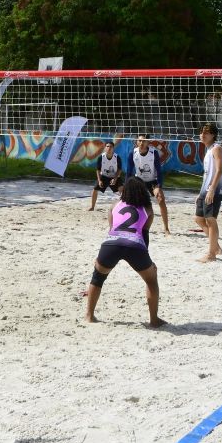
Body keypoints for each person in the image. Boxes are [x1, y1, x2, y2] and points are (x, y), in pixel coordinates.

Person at [84, 177, 166, 327]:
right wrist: (149, 262)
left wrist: (100, 257)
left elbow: (112, 231)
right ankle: (154, 320)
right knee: (151, 280)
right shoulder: (148, 209)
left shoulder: (114, 205)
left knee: (97, 277)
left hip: (110, 244)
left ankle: (89, 315)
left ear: (124, 190)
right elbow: (144, 236)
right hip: (135, 245)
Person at [127, 134, 170, 234]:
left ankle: (166, 228)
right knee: (133, 203)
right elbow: (129, 172)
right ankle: (134, 225)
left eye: (144, 141)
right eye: (140, 141)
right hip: (139, 181)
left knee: (161, 199)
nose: (141, 143)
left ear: (148, 142)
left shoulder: (153, 153)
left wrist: (159, 186)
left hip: (152, 181)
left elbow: (159, 171)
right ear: (137, 142)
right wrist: (127, 186)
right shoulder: (132, 153)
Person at [195, 122, 222, 262]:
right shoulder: (208, 149)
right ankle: (216, 247)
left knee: (210, 220)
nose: (202, 135)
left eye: (206, 132)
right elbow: (207, 174)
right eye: (201, 132)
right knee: (198, 218)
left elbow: (219, 171)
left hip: (214, 189)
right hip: (205, 190)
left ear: (213, 135)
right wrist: (200, 193)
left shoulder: (217, 148)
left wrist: (212, 189)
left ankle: (211, 254)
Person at [88, 140, 122, 211]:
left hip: (114, 176)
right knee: (95, 189)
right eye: (107, 146)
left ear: (113, 148)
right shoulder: (101, 157)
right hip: (104, 176)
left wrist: (115, 179)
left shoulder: (117, 157)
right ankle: (92, 207)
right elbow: (98, 170)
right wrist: (99, 180)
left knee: (122, 190)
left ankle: (123, 207)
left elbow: (119, 170)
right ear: (105, 148)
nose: (109, 148)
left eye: (111, 147)